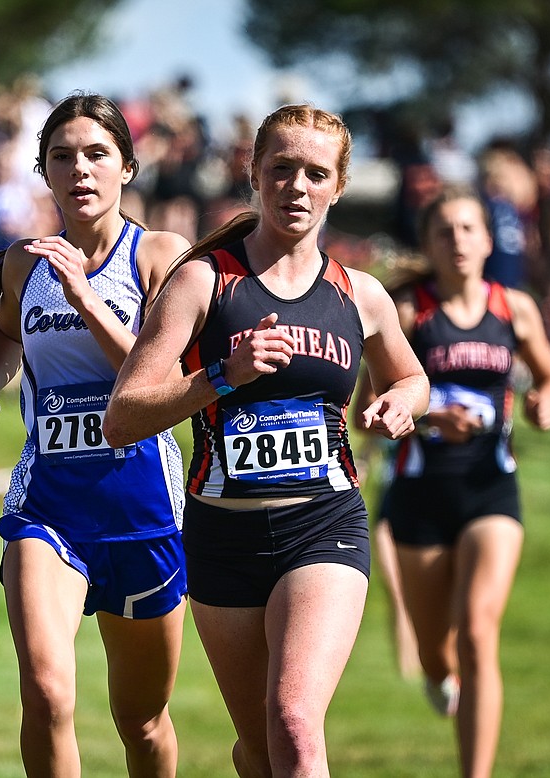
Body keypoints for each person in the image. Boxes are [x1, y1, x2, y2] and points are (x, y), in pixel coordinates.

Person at [104, 104, 430, 778]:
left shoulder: (360, 295)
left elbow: (412, 376)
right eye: (281, 169)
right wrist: (223, 375)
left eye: (316, 173)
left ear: (338, 186)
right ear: (254, 174)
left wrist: (403, 401)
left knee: (294, 722)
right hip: (225, 540)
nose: (297, 186)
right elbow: (124, 416)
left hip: (325, 525)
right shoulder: (203, 282)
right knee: (260, 748)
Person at [0, 92, 190, 777]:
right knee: (48, 693)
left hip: (142, 508)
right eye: (63, 157)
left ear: (127, 167)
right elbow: (4, 336)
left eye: (97, 155)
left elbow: (159, 380)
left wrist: (87, 298)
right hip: (49, 506)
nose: (80, 170)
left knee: (142, 723)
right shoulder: (26, 263)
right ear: (44, 170)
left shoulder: (160, 255)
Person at [380, 187, 550, 778]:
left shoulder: (515, 308)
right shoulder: (411, 311)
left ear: (487, 241)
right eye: (444, 231)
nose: (457, 241)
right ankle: (439, 675)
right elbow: (373, 410)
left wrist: (546, 404)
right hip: (420, 494)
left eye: (468, 229)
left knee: (479, 633)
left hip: (491, 490)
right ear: (429, 244)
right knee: (438, 654)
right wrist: (432, 417)